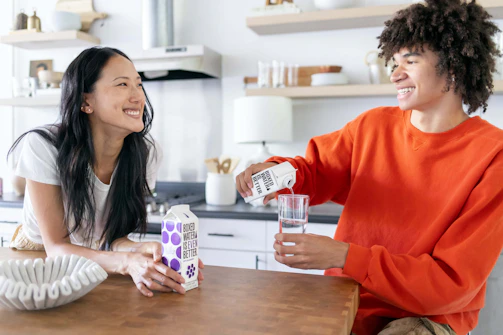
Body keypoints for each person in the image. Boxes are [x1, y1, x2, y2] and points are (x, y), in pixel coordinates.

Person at [236, 0, 503, 334]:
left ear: (453, 66)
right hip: (345, 301)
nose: (395, 73)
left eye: (411, 59)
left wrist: (345, 256)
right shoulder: (372, 126)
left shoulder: (494, 155)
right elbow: (316, 171)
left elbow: (450, 283)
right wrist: (274, 172)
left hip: (422, 318)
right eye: (395, 61)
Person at [8, 46, 204, 297]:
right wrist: (127, 262)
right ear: (85, 101)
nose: (137, 97)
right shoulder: (44, 146)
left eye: (139, 84)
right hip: (34, 263)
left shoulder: (146, 153)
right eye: (122, 85)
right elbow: (56, 247)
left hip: (95, 264)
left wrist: (142, 251)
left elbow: (110, 237)